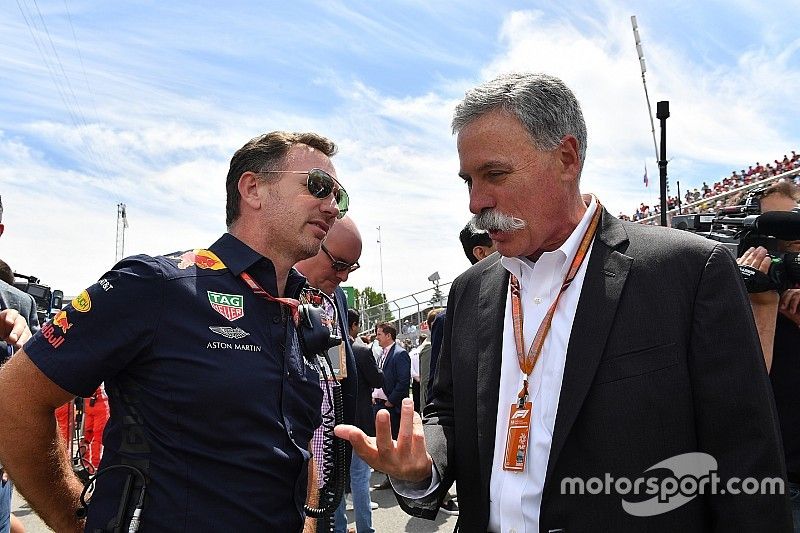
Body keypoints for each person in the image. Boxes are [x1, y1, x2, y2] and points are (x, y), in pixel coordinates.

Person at [336, 73, 791, 532]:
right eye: (468, 180)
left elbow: (746, 463)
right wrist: (425, 463)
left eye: (494, 174)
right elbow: (448, 413)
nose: (476, 201)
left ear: (567, 158)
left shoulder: (688, 273)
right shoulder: (469, 291)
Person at [0, 131, 351, 532]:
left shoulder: (295, 312)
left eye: (340, 198)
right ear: (253, 189)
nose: (332, 207)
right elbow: (13, 398)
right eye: (319, 186)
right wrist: (72, 518)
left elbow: (297, 444)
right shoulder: (156, 284)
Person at [736, 180, 800, 530]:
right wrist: (761, 305)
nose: (790, 240)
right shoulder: (738, 293)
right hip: (775, 479)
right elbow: (743, 396)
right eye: (775, 229)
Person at [293, 216, 360, 533]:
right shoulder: (276, 287)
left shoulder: (338, 297)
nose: (343, 276)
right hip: (295, 442)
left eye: (352, 268)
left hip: (331, 425)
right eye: (338, 264)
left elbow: (341, 361)